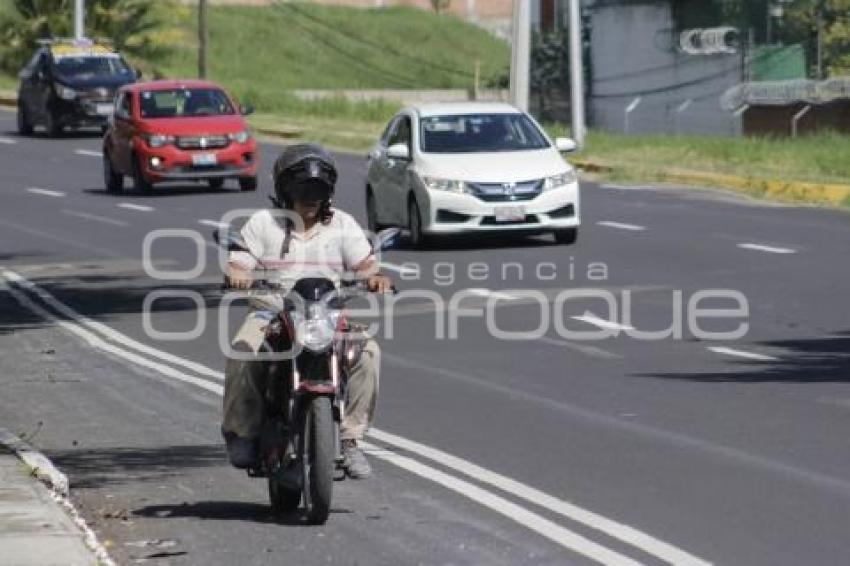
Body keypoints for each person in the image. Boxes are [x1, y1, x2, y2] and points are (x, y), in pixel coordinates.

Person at [221, 143, 393, 479]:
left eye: (318, 190)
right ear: (285, 190)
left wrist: (375, 278)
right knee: (243, 350)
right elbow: (237, 264)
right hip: (270, 313)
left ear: (328, 192)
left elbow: (366, 265)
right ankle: (243, 433)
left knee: (368, 351)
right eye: (303, 190)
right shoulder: (262, 223)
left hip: (325, 315)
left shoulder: (342, 224)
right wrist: (239, 276)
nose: (311, 198)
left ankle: (351, 440)